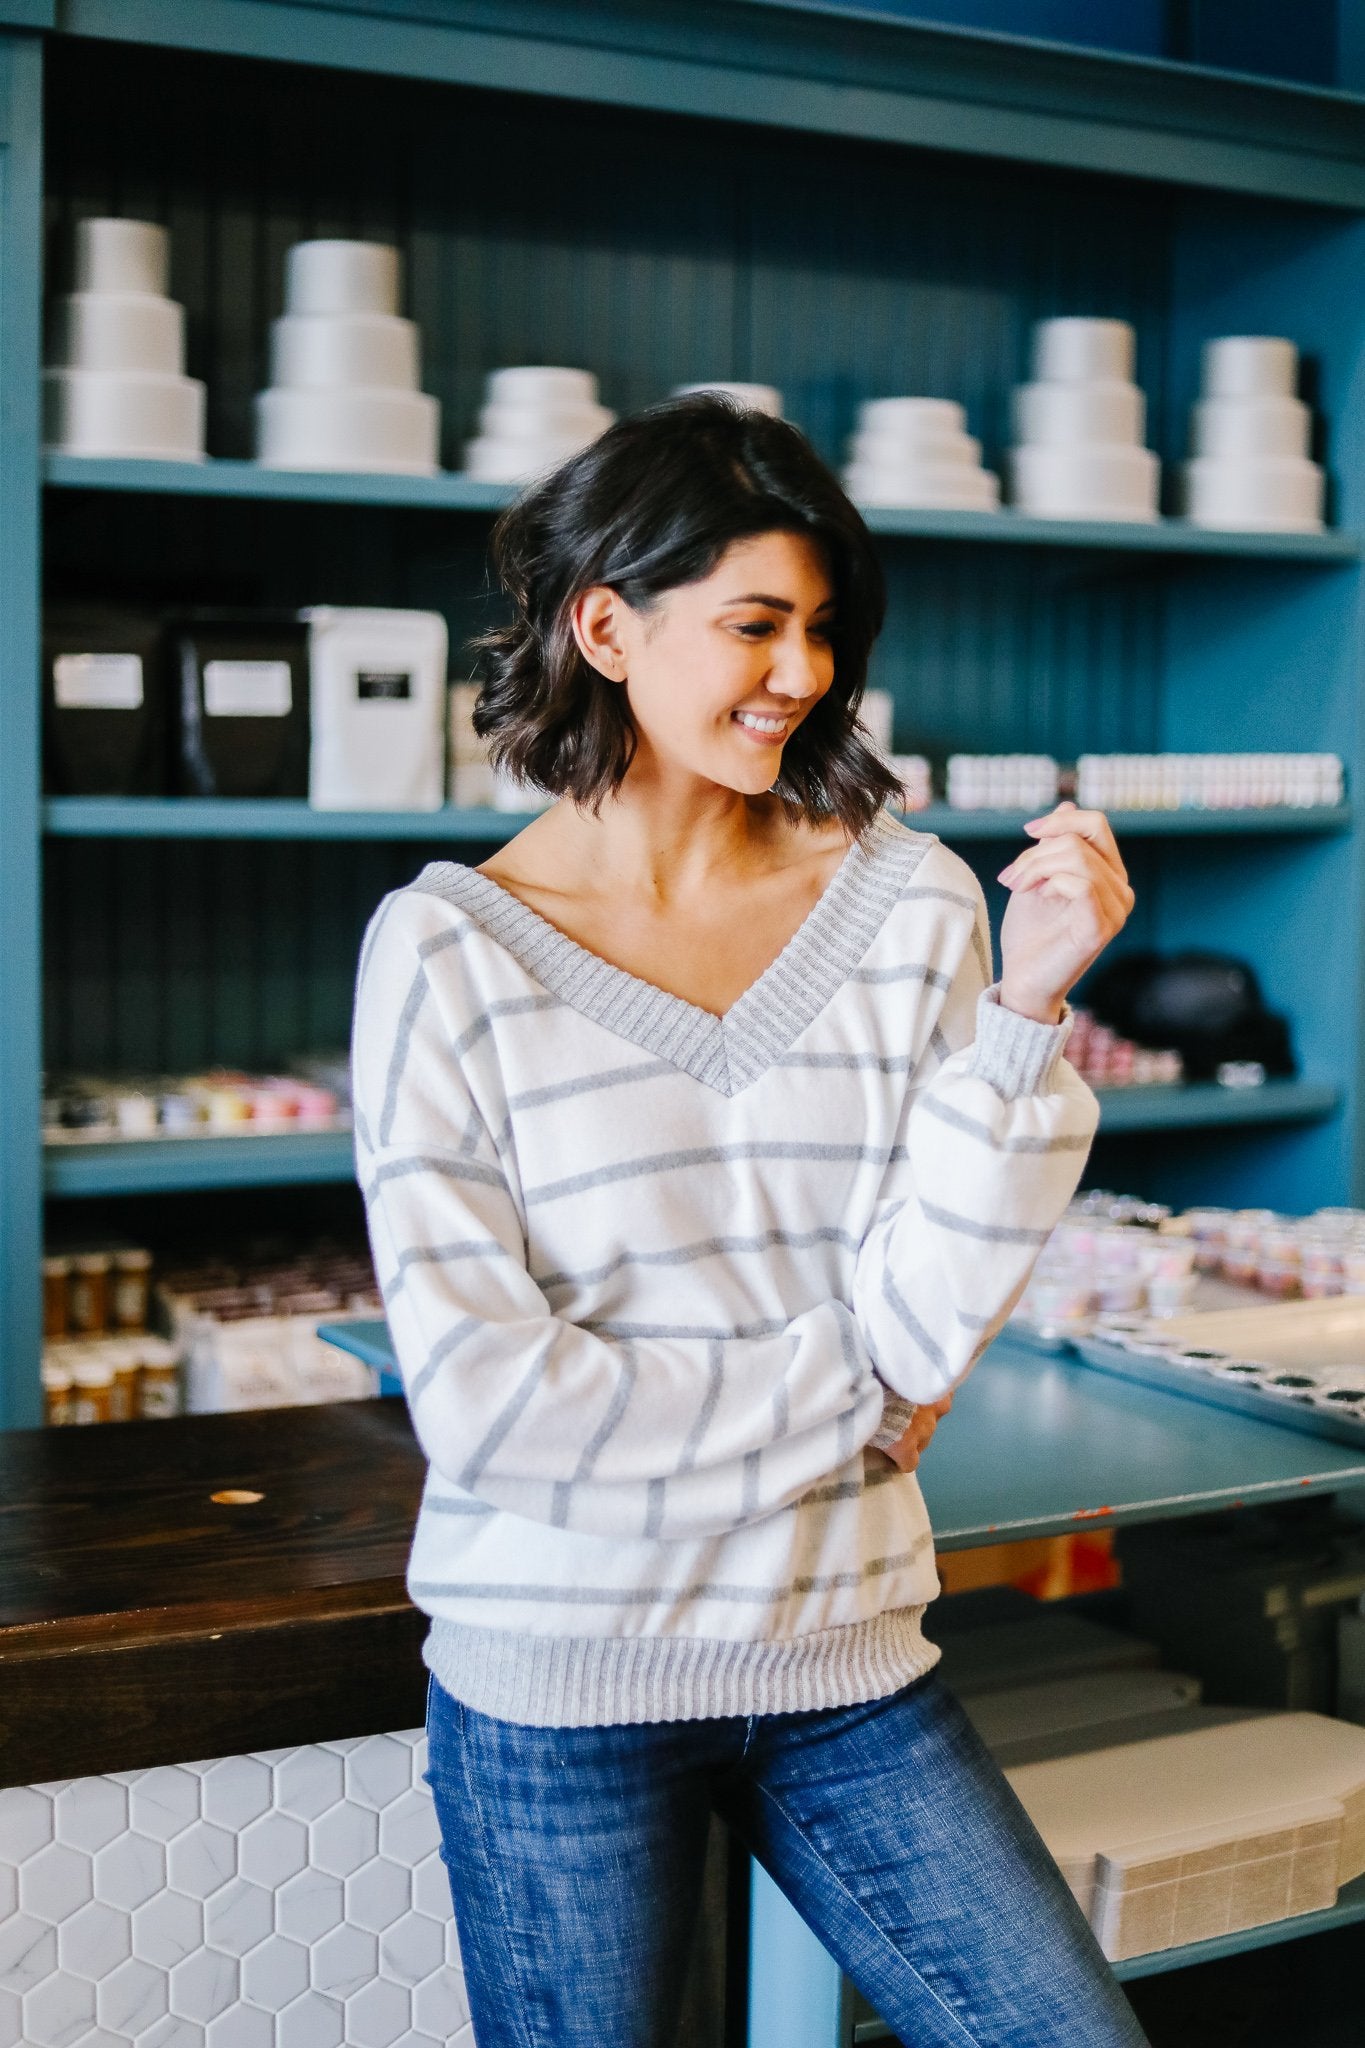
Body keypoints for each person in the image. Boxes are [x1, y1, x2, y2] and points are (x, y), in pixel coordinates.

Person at [350, 395, 1145, 2048]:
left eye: (822, 628)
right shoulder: (444, 956)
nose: (800, 671)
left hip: (840, 1652)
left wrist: (1026, 1009)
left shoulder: (913, 902)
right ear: (604, 623)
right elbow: (496, 1414)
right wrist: (839, 1396)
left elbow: (928, 1317)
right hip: (555, 1687)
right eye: (754, 623)